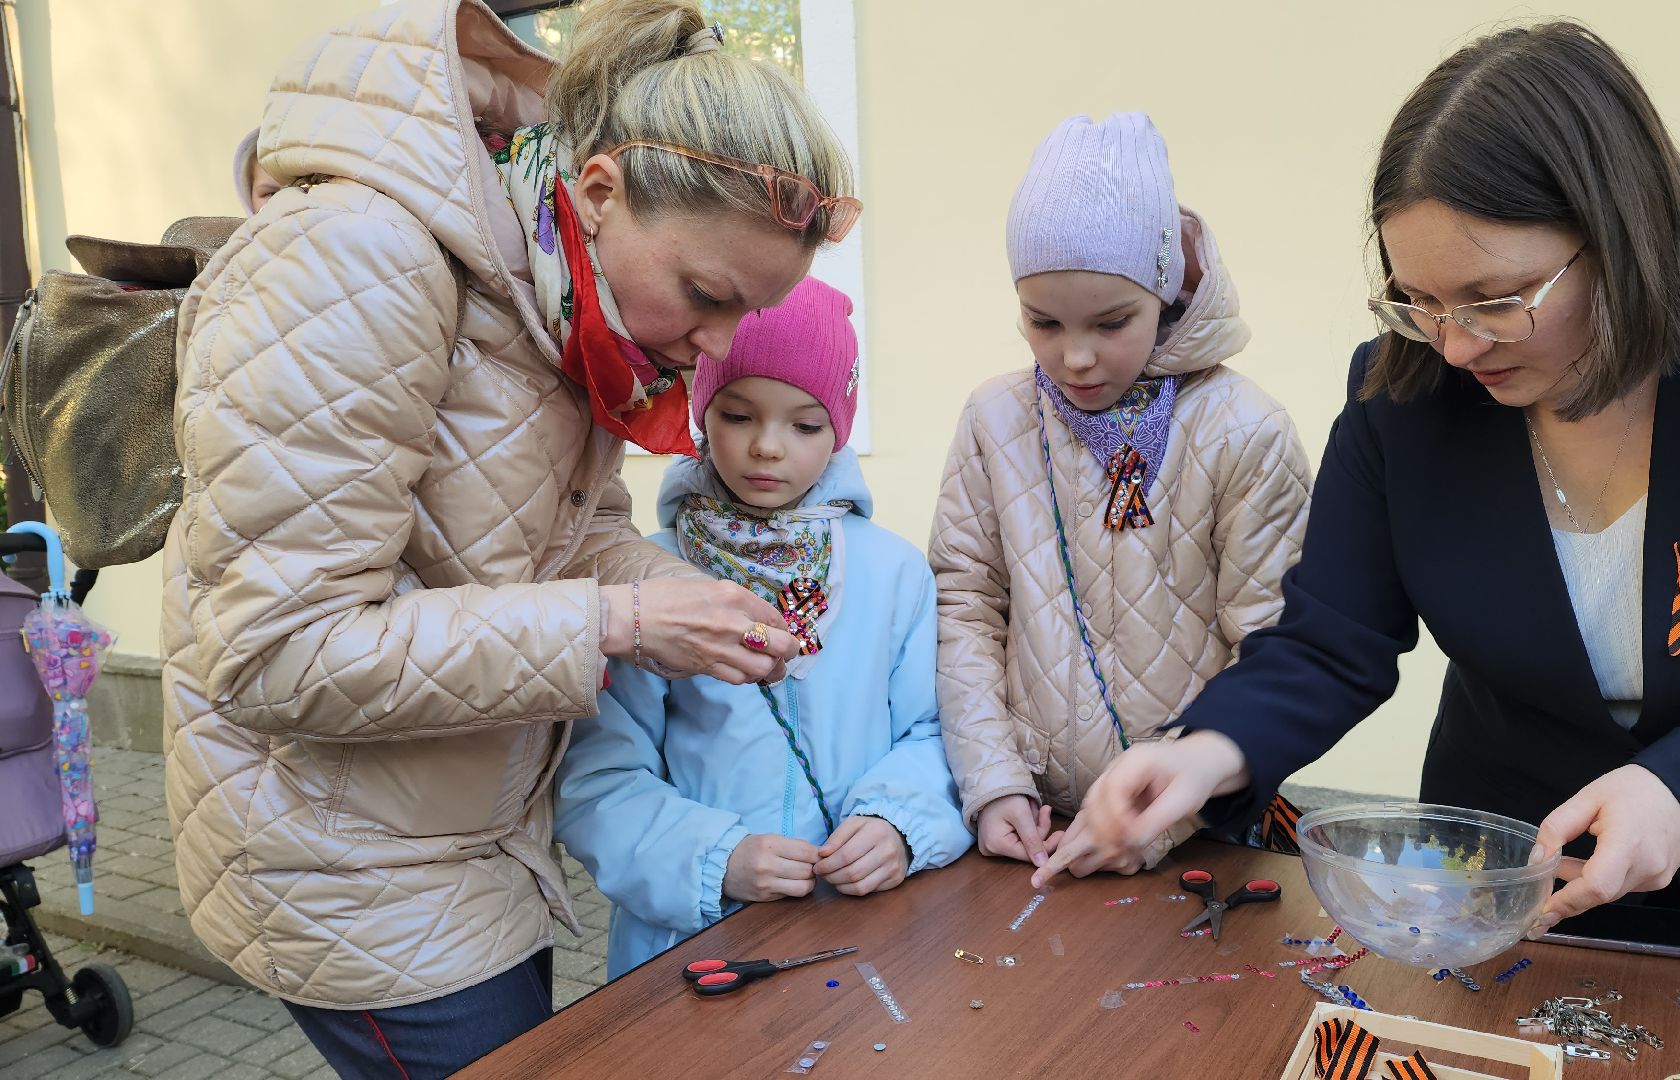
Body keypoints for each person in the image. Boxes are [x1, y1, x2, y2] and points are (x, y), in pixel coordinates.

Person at [1039, 22, 1680, 952]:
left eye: (1496, 302)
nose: (1455, 346)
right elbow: (1334, 638)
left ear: (1623, 235)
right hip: (1506, 883)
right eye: (1418, 299)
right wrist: (1208, 751)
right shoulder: (1404, 387)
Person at [163, 0, 858, 1073]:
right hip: (354, 875)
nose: (715, 346)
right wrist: (620, 618)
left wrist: (676, 594)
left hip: (464, 847)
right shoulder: (356, 263)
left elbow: (574, 528)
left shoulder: (552, 281)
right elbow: (273, 652)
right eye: (707, 296)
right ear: (598, 192)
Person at [931, 112, 1313, 874]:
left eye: (1113, 322)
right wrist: (994, 783)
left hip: (1200, 836)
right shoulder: (995, 417)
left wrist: (1162, 815)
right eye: (1042, 322)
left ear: (1166, 291)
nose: (1074, 357)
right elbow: (965, 604)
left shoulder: (1244, 430)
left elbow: (1274, 643)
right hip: (1031, 825)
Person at [556, 278, 970, 977]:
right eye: (738, 415)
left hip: (868, 935)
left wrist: (898, 824)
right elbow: (600, 776)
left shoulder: (895, 573)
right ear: (700, 411)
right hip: (688, 945)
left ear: (838, 429)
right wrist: (715, 859)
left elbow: (935, 732)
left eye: (805, 425)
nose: (767, 448)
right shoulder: (648, 579)